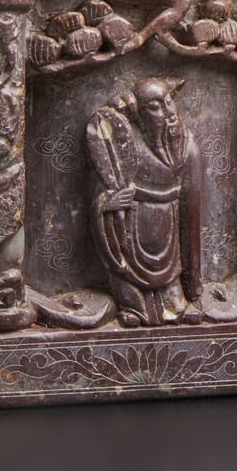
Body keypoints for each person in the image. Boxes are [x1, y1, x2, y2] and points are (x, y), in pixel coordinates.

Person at [86, 78, 203, 325]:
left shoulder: (185, 144)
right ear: (139, 112)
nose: (168, 112)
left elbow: (192, 209)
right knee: (129, 285)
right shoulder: (128, 144)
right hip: (133, 231)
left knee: (171, 283)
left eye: (168, 102)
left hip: (168, 228)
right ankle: (132, 306)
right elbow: (104, 193)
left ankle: (175, 303)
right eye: (155, 107)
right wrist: (109, 203)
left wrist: (194, 281)